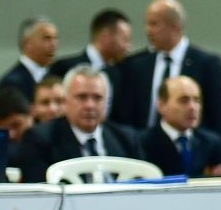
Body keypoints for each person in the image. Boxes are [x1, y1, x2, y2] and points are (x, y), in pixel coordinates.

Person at [112, 0, 221, 143]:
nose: (148, 30)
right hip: (141, 149)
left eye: (154, 24)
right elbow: (121, 116)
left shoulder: (206, 64)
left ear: (175, 26)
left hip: (189, 150)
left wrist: (216, 152)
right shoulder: (134, 65)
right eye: (147, 24)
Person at [11, 67, 141, 183]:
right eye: (82, 97)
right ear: (66, 101)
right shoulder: (40, 140)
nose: (90, 105)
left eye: (97, 98)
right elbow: (39, 194)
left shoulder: (126, 139)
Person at [137, 75, 221, 177]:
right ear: (161, 106)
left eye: (196, 100)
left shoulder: (210, 143)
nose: (192, 107)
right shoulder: (141, 143)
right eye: (183, 100)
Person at [0, 16, 59, 106]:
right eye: (47, 38)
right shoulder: (11, 84)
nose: (53, 44)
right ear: (27, 44)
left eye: (55, 39)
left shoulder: (56, 76)